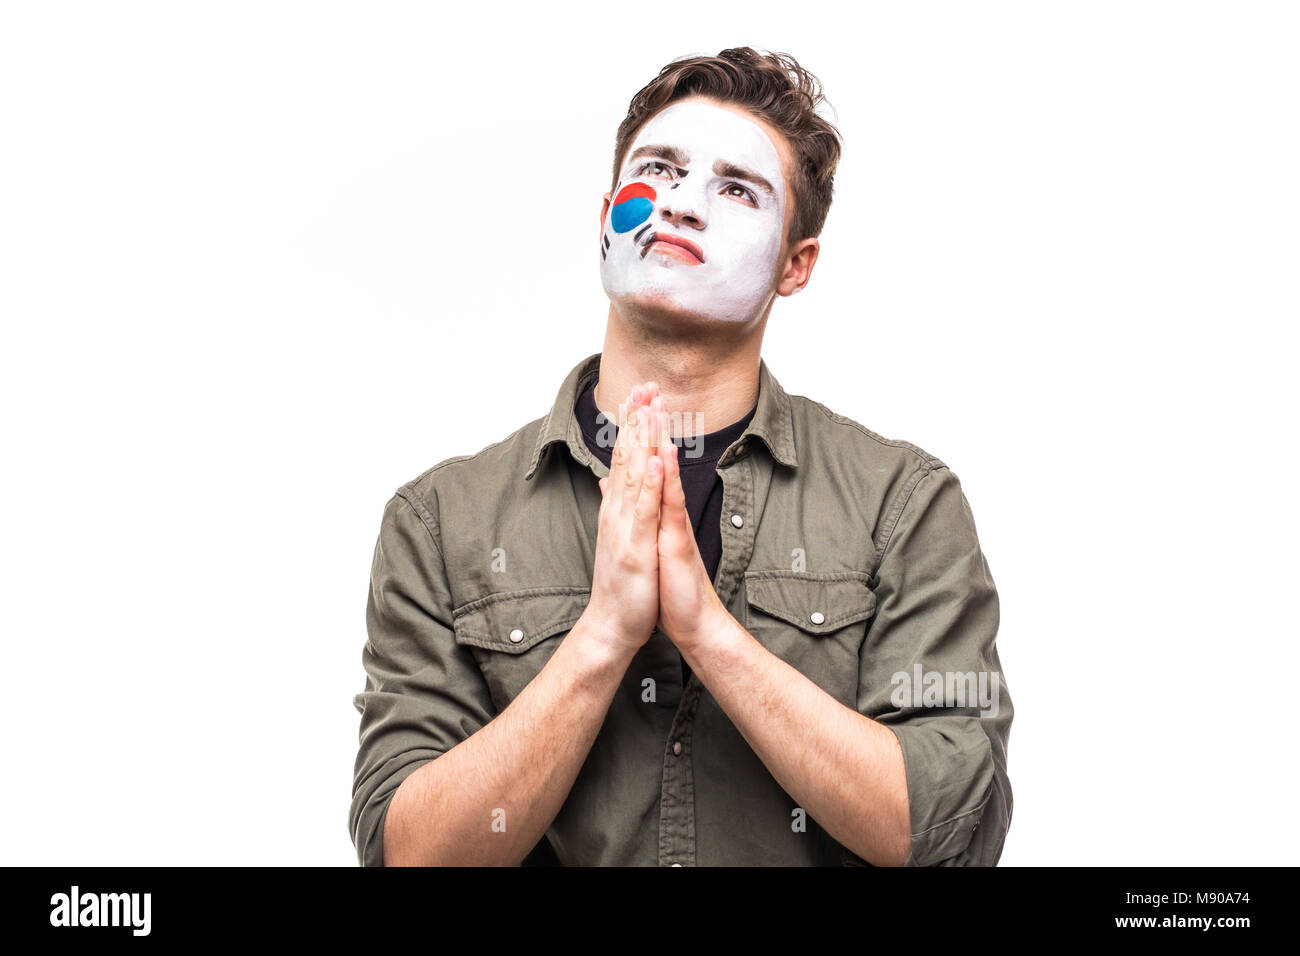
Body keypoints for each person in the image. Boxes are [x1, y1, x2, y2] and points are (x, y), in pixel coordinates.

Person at [349, 47, 1013, 867]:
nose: (682, 206)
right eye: (659, 169)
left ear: (795, 265)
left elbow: (949, 830)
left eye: (737, 189)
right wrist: (600, 638)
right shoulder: (439, 519)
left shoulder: (904, 504)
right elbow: (407, 854)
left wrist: (709, 634)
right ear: (605, 217)